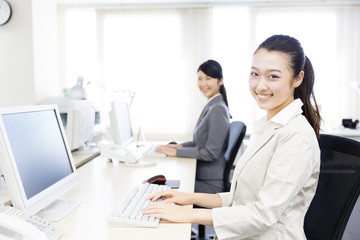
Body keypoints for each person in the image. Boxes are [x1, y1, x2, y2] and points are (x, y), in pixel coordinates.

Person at [142, 34, 322, 240]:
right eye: (255, 74)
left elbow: (263, 214)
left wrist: (189, 214)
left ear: (297, 78)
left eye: (273, 76)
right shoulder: (268, 127)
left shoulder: (297, 136)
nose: (260, 85)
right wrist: (187, 197)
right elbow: (241, 199)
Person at [155, 60, 231, 194]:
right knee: (161, 185)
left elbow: (210, 153)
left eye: (208, 78)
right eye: (200, 79)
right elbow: (198, 143)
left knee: (160, 190)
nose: (203, 83)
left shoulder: (217, 109)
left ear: (220, 81)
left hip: (210, 185)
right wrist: (178, 147)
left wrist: (176, 153)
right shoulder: (212, 105)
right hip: (202, 177)